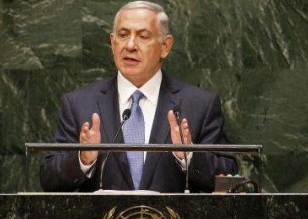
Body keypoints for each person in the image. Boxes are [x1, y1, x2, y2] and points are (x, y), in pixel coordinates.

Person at [40, 1, 237, 193]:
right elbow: (49, 178)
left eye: (143, 36)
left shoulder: (200, 104)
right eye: (123, 35)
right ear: (112, 42)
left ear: (165, 46)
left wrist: (190, 156)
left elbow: (228, 176)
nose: (131, 45)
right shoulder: (79, 104)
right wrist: (83, 159)